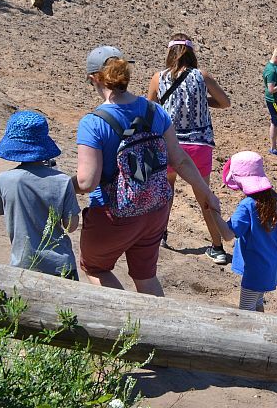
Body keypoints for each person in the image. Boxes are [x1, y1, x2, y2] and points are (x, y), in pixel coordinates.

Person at [75, 45, 219, 296]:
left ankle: (127, 322)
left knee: (95, 268)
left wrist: (65, 185)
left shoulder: (93, 123)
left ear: (94, 79)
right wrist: (206, 192)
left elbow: (87, 182)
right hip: (155, 210)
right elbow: (181, 160)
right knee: (146, 277)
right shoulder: (155, 111)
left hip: (115, 213)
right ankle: (155, 329)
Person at [146, 34, 232, 264]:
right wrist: (204, 102)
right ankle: (217, 247)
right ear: (191, 53)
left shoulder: (158, 77)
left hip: (169, 143)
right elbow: (225, 102)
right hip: (199, 145)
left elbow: (150, 107)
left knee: (166, 191)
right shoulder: (202, 76)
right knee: (204, 195)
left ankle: (159, 234)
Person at [0, 110, 80, 279]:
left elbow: (8, 213)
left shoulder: (3, 180)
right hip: (61, 265)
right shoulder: (62, 181)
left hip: (23, 263)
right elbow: (71, 226)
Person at [209, 151, 277, 311]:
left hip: (254, 269)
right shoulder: (275, 200)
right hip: (270, 265)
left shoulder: (247, 206)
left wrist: (213, 214)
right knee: (257, 304)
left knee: (245, 312)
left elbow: (228, 235)